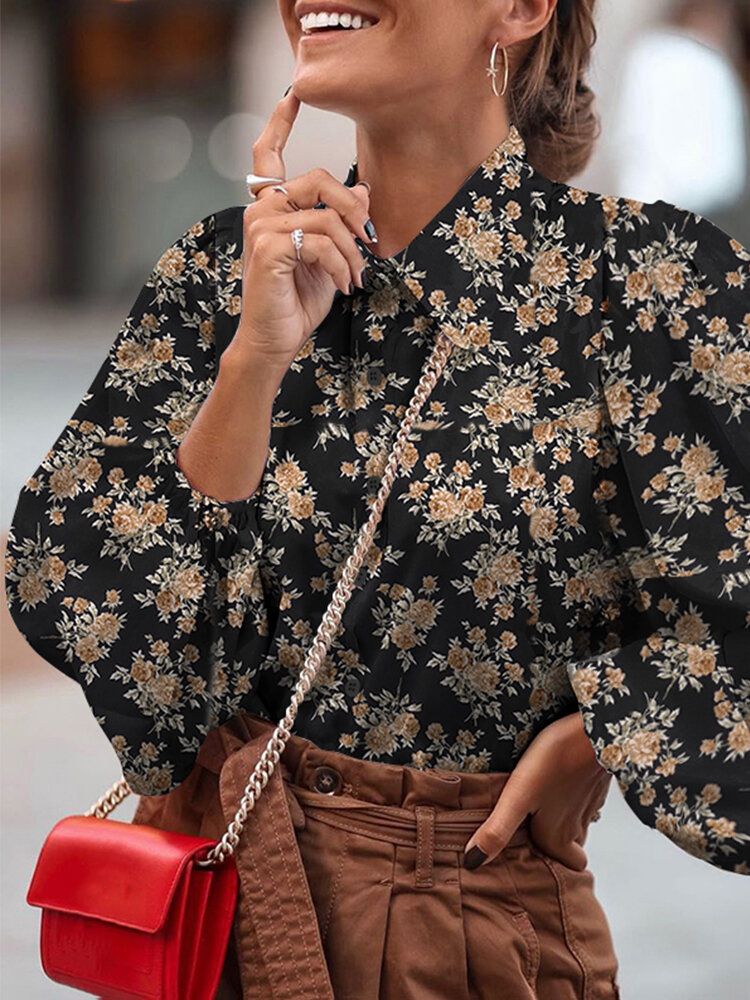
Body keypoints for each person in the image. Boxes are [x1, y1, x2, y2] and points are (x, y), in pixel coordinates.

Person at [5, 1, 749, 997]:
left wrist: (606, 726)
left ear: (520, 10)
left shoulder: (645, 284)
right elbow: (135, 669)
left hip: (468, 938)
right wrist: (254, 364)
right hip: (220, 925)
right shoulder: (220, 274)